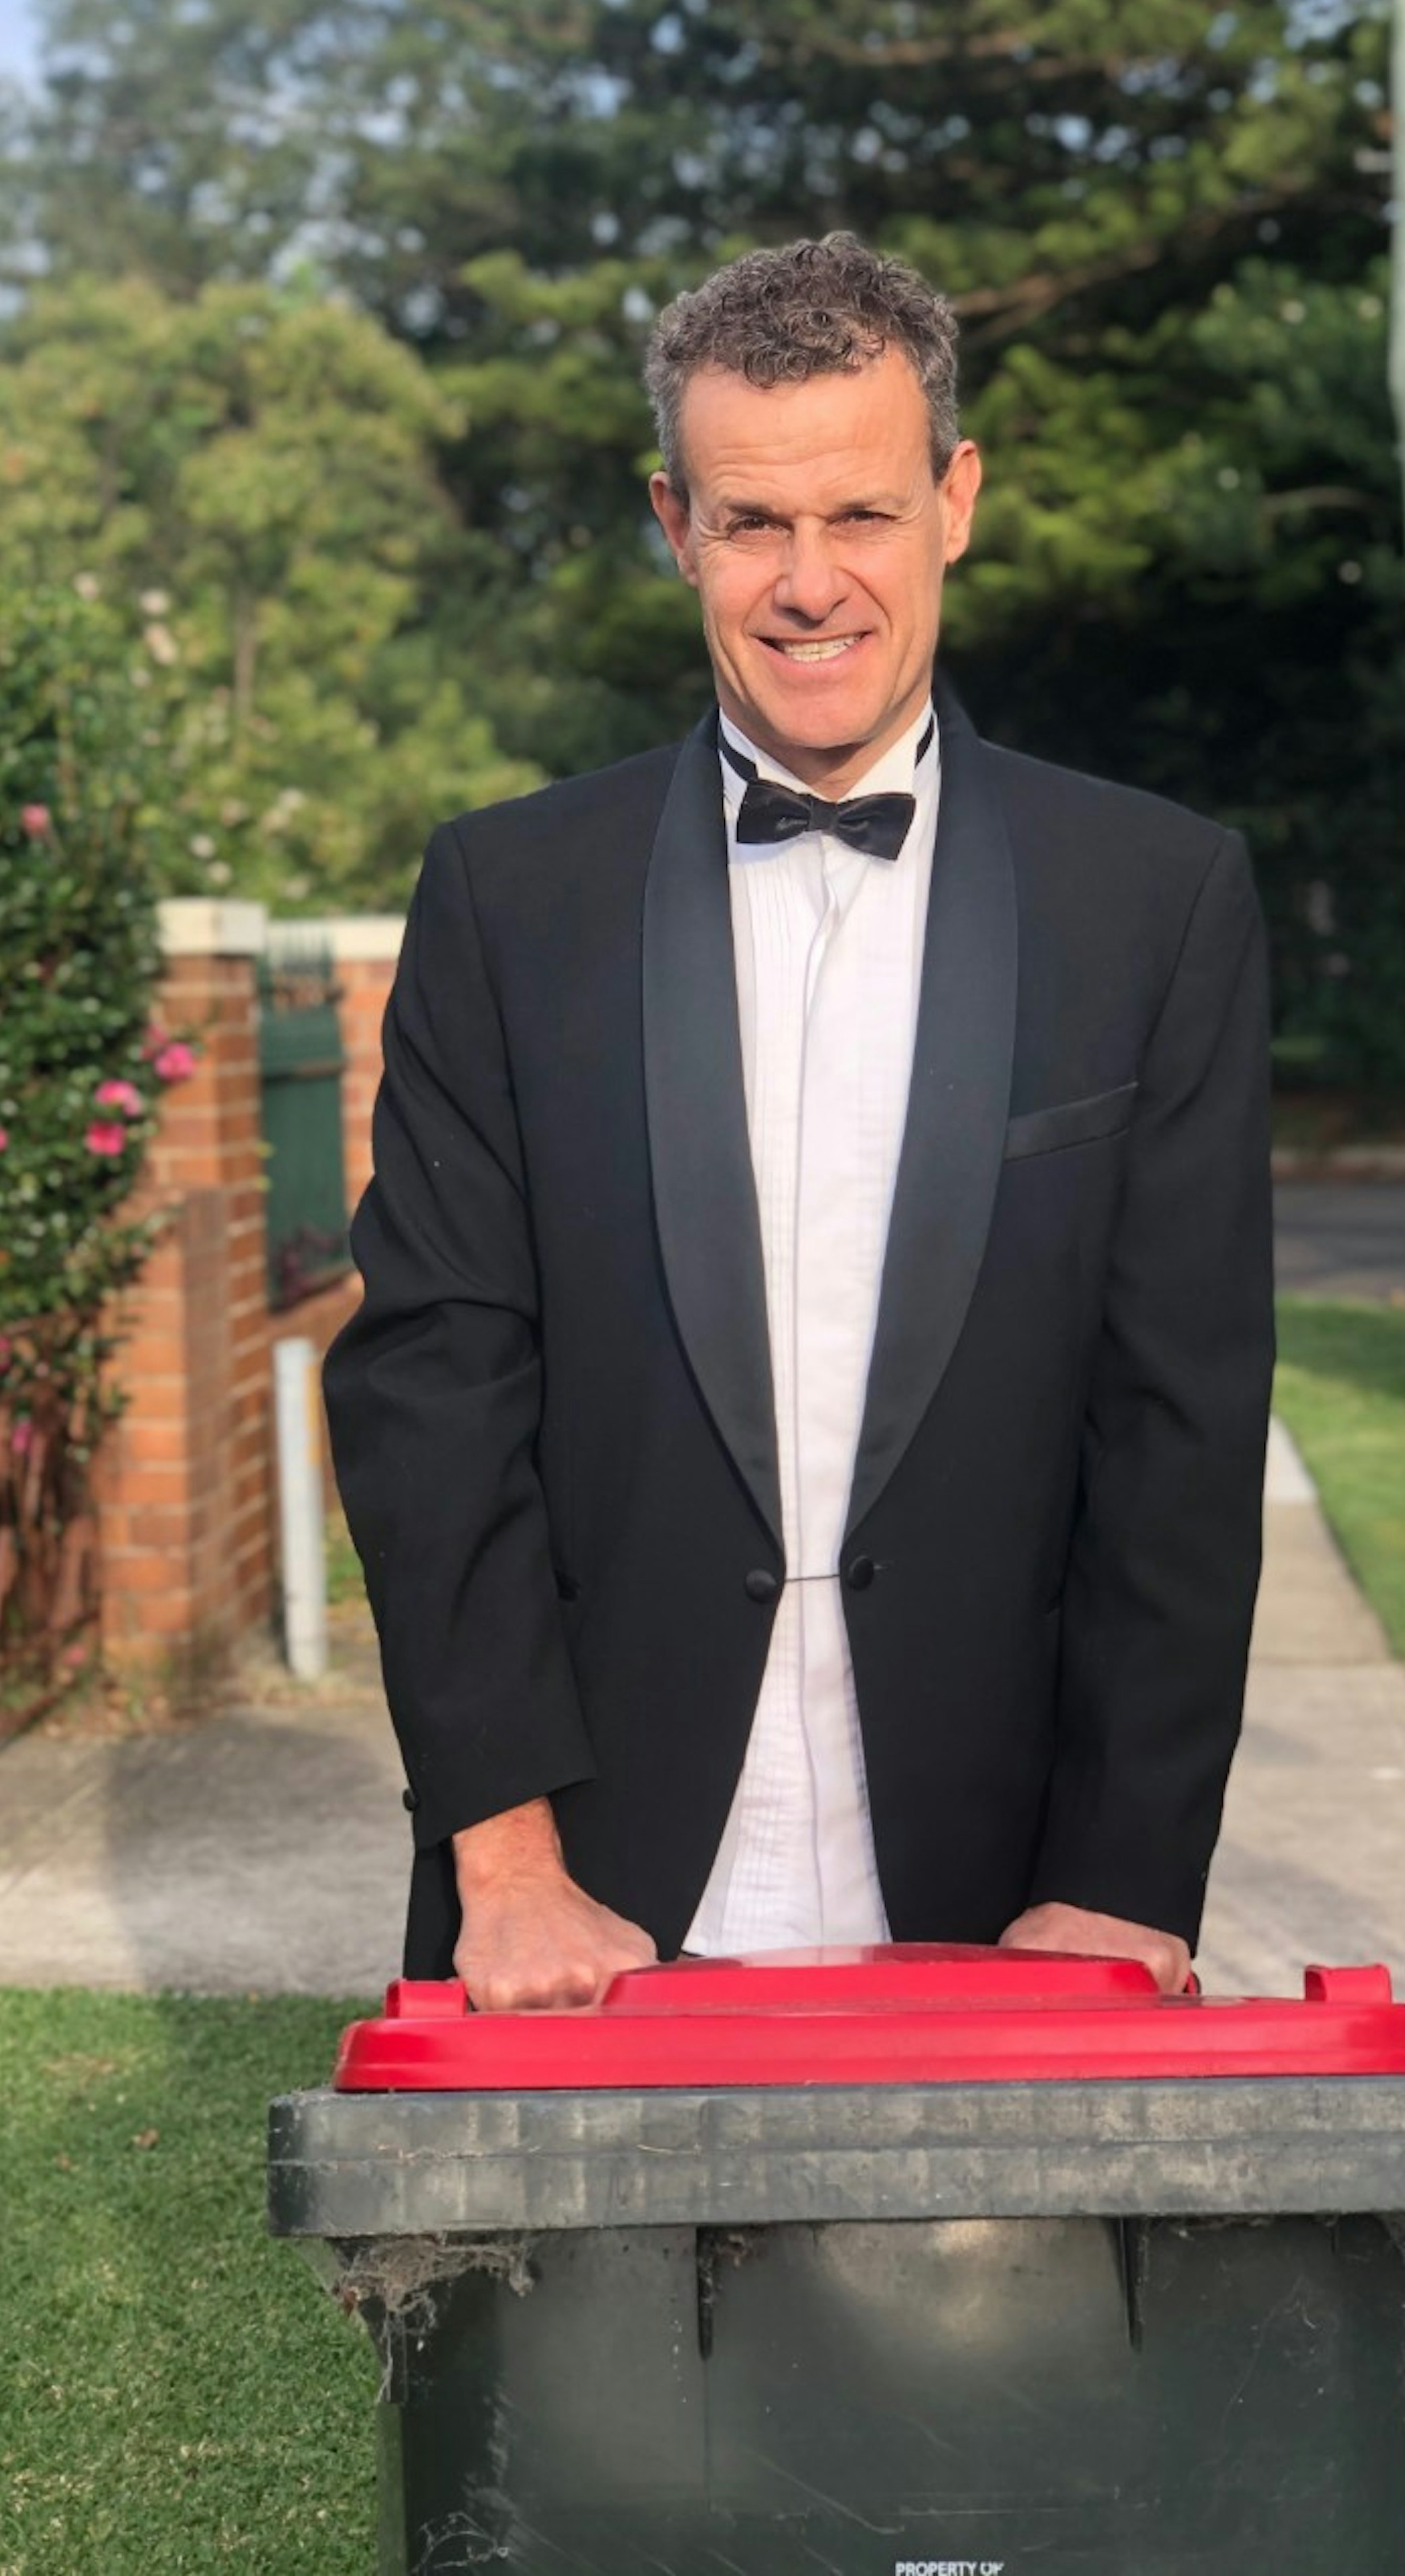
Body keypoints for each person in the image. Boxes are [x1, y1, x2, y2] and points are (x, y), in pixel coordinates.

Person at [324, 233, 1273, 2009]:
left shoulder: (1157, 899)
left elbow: (1182, 1434)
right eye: (754, 521)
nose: (810, 581)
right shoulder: (505, 896)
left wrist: (1127, 1874)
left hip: (1010, 1896)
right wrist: (506, 1862)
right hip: (586, 1897)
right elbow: (432, 1394)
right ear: (675, 523)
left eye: (861, 515)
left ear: (956, 501)